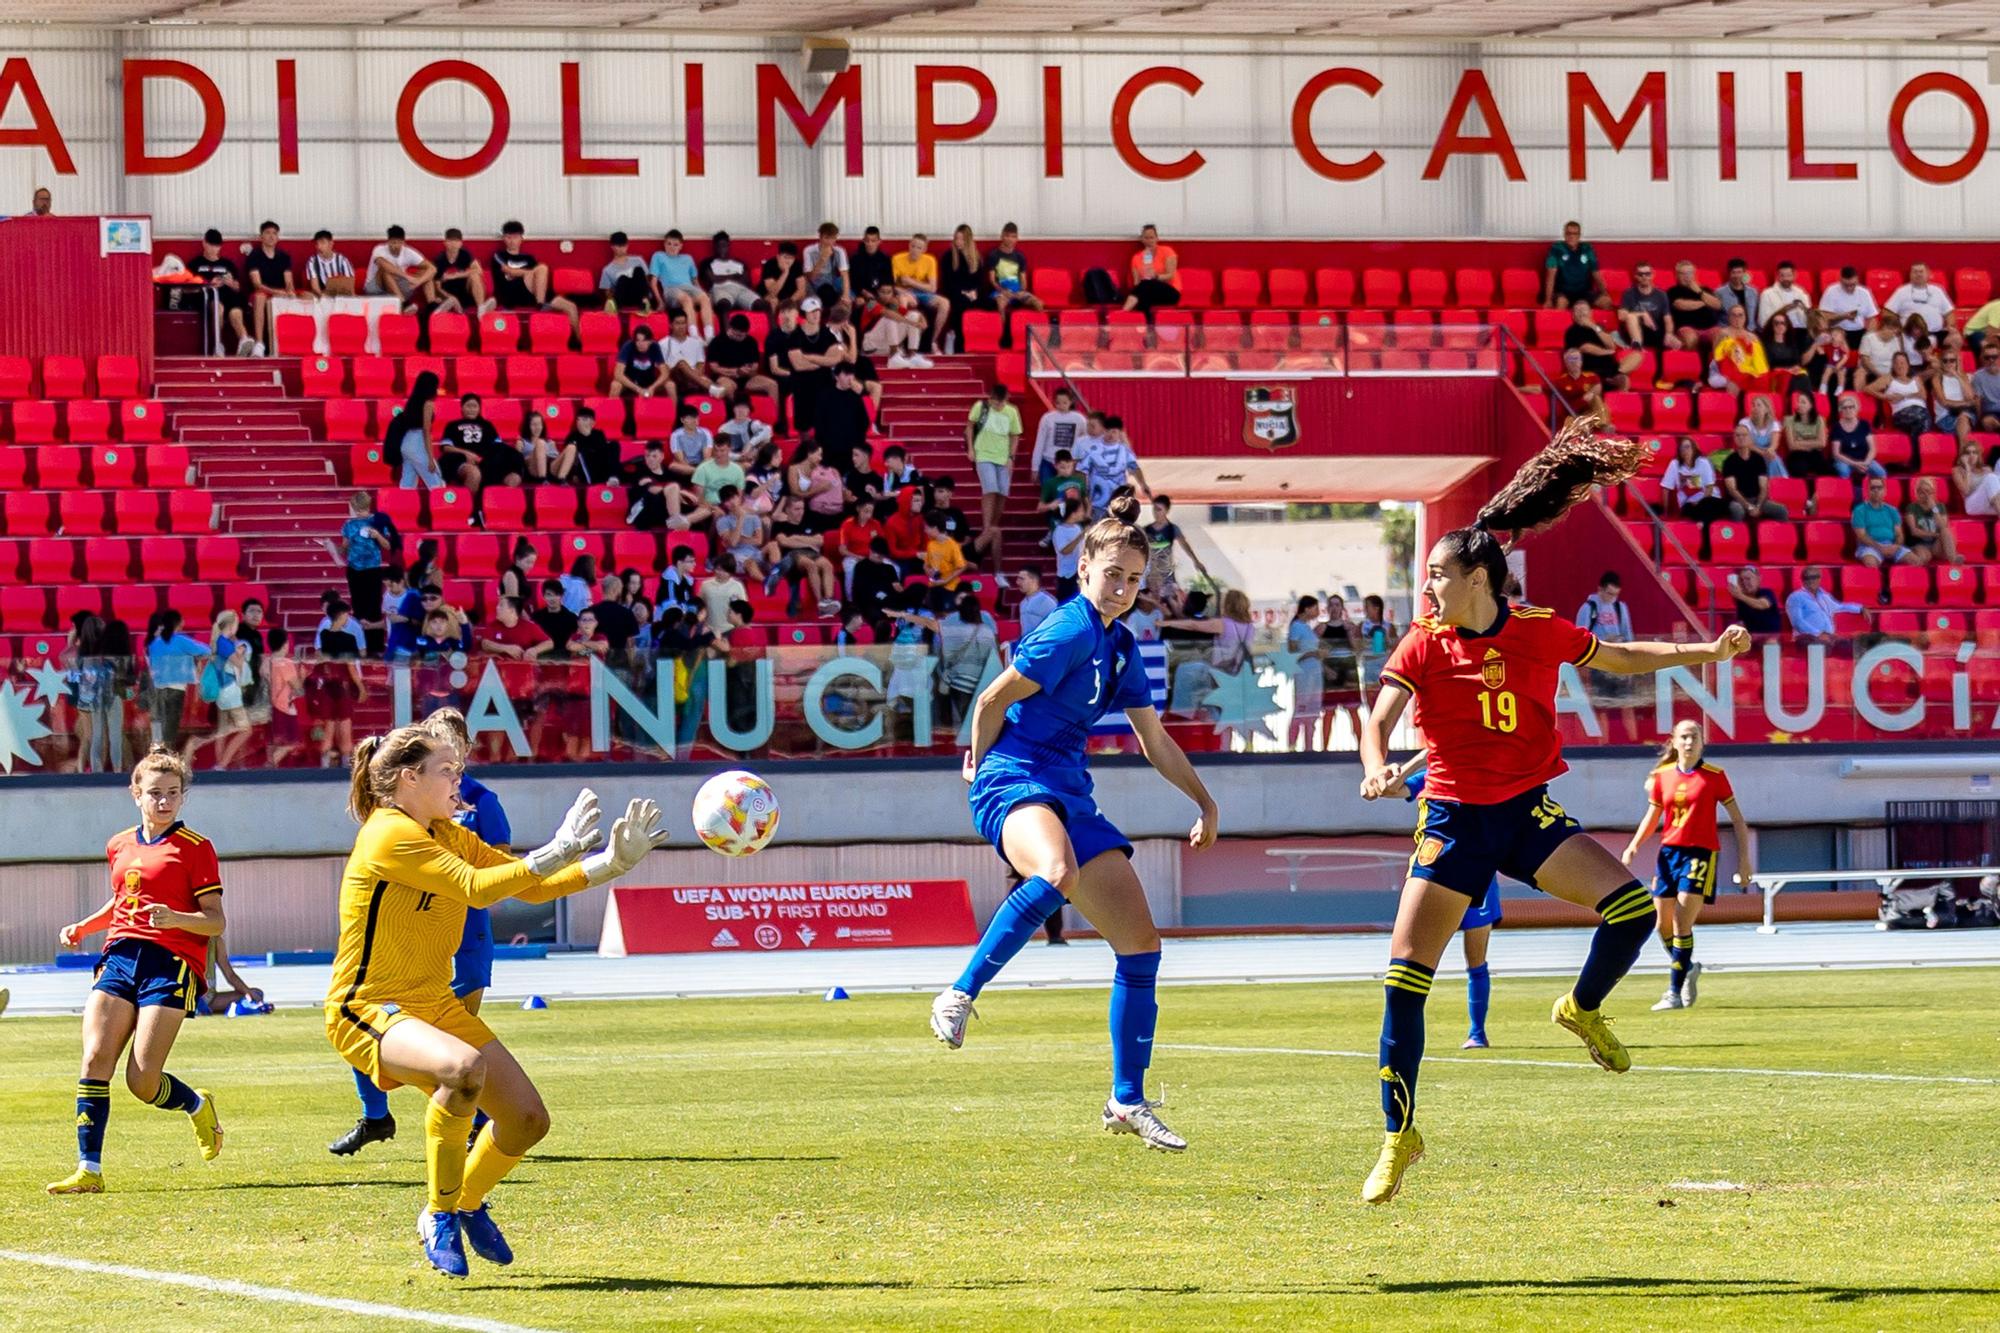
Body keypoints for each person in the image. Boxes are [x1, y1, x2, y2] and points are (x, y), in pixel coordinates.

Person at [1354, 418, 1751, 1205]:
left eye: (1437, 573)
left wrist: (1704, 652)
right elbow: (1378, 719)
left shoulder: (1539, 631)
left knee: (1633, 910)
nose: (1426, 586)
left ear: (1479, 579)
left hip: (1526, 813)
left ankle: (1582, 1005)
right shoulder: (1423, 641)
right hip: (1454, 821)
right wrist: (1372, 766)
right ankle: (1400, 1135)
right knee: (1405, 981)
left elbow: (1622, 658)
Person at [930, 493, 1218, 1153]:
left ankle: (1126, 1100)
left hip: (1068, 789)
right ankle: (959, 992)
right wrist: (978, 763)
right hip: (1014, 775)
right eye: (1111, 574)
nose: (1121, 588)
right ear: (1084, 568)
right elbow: (994, 697)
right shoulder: (1068, 628)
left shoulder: (1122, 646)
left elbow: (1155, 742)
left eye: (1133, 580)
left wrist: (1205, 801)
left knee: (1141, 944)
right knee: (1055, 871)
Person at [325, 726, 661, 1274]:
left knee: (527, 1120)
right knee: (462, 1069)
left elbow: (525, 886)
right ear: (409, 779)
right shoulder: (388, 832)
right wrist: (559, 848)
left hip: (434, 1002)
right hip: (366, 1006)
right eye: (446, 772)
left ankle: (467, 1201)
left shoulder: (448, 831)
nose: (459, 780)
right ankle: (438, 1213)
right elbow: (476, 889)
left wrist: (607, 865)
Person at [330, 709, 514, 1157]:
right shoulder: (401, 819)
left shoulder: (478, 803)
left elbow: (504, 868)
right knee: (437, 1057)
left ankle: (473, 1126)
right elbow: (471, 878)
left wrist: (591, 863)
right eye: (441, 755)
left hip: (465, 934)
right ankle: (382, 1118)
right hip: (398, 958)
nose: (453, 771)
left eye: (456, 760)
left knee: (459, 1060)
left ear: (465, 753)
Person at [47, 749, 226, 1194]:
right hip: (120, 955)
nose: (163, 802)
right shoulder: (119, 844)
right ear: (136, 794)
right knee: (94, 1058)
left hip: (171, 963)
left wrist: (177, 919)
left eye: (172, 794)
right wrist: (85, 926)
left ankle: (196, 1104)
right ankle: (89, 1169)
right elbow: (122, 903)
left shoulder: (196, 848)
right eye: (154, 794)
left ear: (183, 797)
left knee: (142, 1081)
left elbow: (216, 921)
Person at [1620, 720, 1753, 1013]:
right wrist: (1633, 846)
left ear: (1702, 742)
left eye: (1695, 737)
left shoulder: (1714, 777)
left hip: (1700, 855)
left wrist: (1744, 860)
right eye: (1684, 737)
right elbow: (1652, 816)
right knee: (1661, 924)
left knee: (1681, 922)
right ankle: (1688, 967)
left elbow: (1738, 821)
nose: (1690, 742)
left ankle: (1673, 992)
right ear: (1675, 741)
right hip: (1668, 854)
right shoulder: (1662, 776)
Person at [1393, 757, 1501, 1048]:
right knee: (1413, 961)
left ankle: (1477, 1033)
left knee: (1476, 959)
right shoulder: (1432, 774)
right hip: (1437, 875)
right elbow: (1398, 789)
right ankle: (1404, 1035)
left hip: (1480, 876)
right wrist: (1389, 773)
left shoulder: (1481, 772)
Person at [489, 220, 579, 338]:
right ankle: (541, 304)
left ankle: (578, 342)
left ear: (521, 238)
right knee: (541, 268)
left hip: (534, 292)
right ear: (504, 239)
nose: (511, 241)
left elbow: (536, 277)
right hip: (512, 294)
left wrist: (522, 273)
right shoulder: (498, 256)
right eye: (508, 237)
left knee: (571, 307)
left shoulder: (529, 258)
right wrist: (528, 273)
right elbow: (508, 271)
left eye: (515, 237)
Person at [967, 383, 1022, 561]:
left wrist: (1011, 457)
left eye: (1000, 403)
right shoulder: (980, 407)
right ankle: (987, 526)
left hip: (1003, 456)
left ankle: (994, 524)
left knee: (1002, 492)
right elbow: (969, 427)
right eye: (995, 402)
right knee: (989, 489)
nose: (997, 406)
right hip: (983, 453)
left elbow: (1015, 435)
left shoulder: (1012, 411)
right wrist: (971, 449)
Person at [188, 228, 255, 355]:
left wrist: (231, 283)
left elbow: (237, 287)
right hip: (208, 296)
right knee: (218, 307)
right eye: (211, 245)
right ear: (204, 243)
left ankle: (243, 339)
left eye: (217, 246)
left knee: (235, 311)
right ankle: (217, 345)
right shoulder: (195, 264)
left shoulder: (228, 264)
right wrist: (208, 284)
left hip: (228, 295)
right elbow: (188, 288)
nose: (214, 249)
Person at [892, 233, 951, 351]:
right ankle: (899, 343)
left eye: (919, 248)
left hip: (923, 293)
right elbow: (893, 286)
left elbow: (933, 288)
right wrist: (907, 292)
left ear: (924, 249)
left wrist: (910, 281)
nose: (914, 250)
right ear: (909, 245)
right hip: (904, 292)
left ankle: (933, 341)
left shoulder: (930, 260)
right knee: (902, 301)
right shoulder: (897, 259)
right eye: (913, 246)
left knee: (944, 303)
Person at [1142, 495, 1207, 603]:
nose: (1156, 512)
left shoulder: (1172, 529)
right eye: (1154, 509)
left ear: (1166, 511)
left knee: (1170, 601)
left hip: (1166, 573)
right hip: (1151, 574)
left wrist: (1196, 561)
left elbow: (1185, 545)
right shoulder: (1147, 530)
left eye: (1159, 509)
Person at [244, 219, 294, 355]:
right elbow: (257, 284)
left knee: (307, 296)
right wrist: (276, 292)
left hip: (280, 291)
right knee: (260, 298)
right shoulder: (254, 256)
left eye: (274, 233)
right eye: (268, 233)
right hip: (263, 292)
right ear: (261, 237)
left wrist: (289, 291)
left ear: (278, 237)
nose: (271, 236)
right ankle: (259, 344)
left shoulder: (284, 257)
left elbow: (289, 281)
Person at [389, 370, 444, 490]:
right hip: (418, 445)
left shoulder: (412, 403)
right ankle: (443, 508)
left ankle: (401, 508)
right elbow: (426, 430)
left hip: (406, 444)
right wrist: (430, 458)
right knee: (437, 483)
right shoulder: (428, 404)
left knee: (407, 485)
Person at [1783, 566, 1862, 645]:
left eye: (1815, 577)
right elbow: (1797, 622)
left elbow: (1840, 606)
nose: (1811, 580)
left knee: (1852, 644)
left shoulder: (1825, 596)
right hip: (1806, 637)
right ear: (1802, 580)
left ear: (1820, 579)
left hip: (1828, 637)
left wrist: (1860, 608)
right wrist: (1818, 634)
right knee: (1820, 646)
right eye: (1807, 578)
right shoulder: (1795, 597)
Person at [1852, 475, 1918, 569]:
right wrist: (1880, 547)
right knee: (1871, 563)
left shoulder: (1892, 510)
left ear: (1884, 491)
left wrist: (1896, 546)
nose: (1876, 490)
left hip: (1891, 545)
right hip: (1870, 546)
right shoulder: (1859, 511)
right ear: (1867, 491)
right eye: (1873, 488)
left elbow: (1899, 534)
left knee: (1915, 561)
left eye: (1879, 488)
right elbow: (1862, 536)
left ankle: (1898, 583)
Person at [1286, 596, 1325, 752]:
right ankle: (1292, 745)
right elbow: (1293, 652)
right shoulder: (1296, 626)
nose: (1317, 612)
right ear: (1307, 608)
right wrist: (1312, 654)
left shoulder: (1308, 627)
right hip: (1304, 673)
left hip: (1314, 672)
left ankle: (1309, 746)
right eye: (1315, 608)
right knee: (1301, 707)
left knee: (1312, 710)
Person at [365, 224, 435, 310]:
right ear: (388, 241)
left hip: (396, 287)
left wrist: (418, 281)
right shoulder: (379, 249)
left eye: (399, 243)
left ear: (403, 242)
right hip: (375, 288)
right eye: (393, 242)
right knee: (385, 270)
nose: (396, 246)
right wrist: (408, 277)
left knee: (426, 273)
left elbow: (432, 268)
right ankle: (403, 304)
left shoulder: (408, 252)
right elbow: (385, 265)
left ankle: (432, 306)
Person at [1541, 220, 1605, 308]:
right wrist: (1548, 300)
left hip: (1584, 292)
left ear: (1579, 236)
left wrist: (1605, 293)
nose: (1571, 236)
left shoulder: (1587, 248)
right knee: (1561, 303)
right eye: (1568, 233)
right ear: (1564, 234)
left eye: (1575, 234)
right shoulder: (1557, 248)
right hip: (1563, 293)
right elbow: (1550, 276)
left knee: (1606, 302)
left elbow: (1596, 273)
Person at [1660, 436, 1726, 522]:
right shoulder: (1674, 464)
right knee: (1692, 510)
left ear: (1694, 449)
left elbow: (1709, 487)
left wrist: (1700, 502)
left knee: (1712, 506)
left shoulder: (1704, 462)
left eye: (1687, 447)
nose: (1684, 450)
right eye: (1681, 448)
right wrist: (1665, 512)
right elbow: (1666, 488)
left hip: (1708, 499)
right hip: (1689, 504)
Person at [1903, 476, 1961, 566]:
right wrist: (1935, 534)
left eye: (1928, 492)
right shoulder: (1911, 507)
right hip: (1919, 543)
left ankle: (1953, 559)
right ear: (1917, 493)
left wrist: (1934, 508)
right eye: (1922, 492)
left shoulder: (1940, 506)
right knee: (1924, 557)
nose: (1925, 495)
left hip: (1936, 545)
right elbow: (1914, 531)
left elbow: (1943, 527)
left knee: (1946, 531)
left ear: (1933, 493)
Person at [1122, 223, 1180, 313]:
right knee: (1145, 294)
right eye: (1146, 238)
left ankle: (1123, 312)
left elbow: (1170, 275)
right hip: (1147, 291)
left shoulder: (1167, 251)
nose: (1149, 241)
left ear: (1157, 238)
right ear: (1142, 239)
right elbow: (1136, 283)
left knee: (1146, 286)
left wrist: (1156, 276)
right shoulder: (1136, 257)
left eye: (1151, 237)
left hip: (1170, 291)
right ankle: (1145, 324)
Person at [434, 228, 491, 317]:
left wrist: (456, 275)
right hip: (449, 294)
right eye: (450, 241)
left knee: (475, 275)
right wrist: (450, 297)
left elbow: (478, 270)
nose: (453, 244)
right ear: (445, 242)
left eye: (456, 241)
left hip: (466, 292)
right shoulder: (440, 259)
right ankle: (447, 307)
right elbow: (437, 287)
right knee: (442, 298)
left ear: (461, 243)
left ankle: (481, 309)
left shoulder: (465, 254)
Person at [1829, 393, 1884, 481]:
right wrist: (1855, 464)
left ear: (1856, 408)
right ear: (1841, 410)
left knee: (1880, 472)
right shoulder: (1836, 427)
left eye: (1851, 407)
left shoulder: (1864, 424)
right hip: (1845, 461)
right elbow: (1836, 453)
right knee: (1843, 471)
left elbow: (1872, 449)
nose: (1848, 410)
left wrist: (1866, 463)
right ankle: (1846, 493)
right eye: (1845, 408)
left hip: (1864, 459)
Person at [701, 231, 758, 313]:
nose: (722, 249)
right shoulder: (707, 263)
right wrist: (734, 276)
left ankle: (774, 326)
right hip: (720, 291)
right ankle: (726, 326)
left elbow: (746, 281)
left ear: (728, 246)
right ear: (714, 247)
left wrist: (722, 277)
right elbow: (713, 280)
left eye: (724, 246)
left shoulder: (739, 263)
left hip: (741, 291)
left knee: (762, 304)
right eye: (719, 246)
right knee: (723, 304)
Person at [1782, 391, 1831, 478]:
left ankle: (1820, 491)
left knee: (1828, 470)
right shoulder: (1789, 420)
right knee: (1799, 469)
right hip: (1797, 454)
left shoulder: (1819, 420)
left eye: (1803, 402)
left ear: (1811, 406)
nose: (1799, 404)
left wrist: (1800, 442)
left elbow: (1822, 443)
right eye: (1798, 401)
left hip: (1814, 453)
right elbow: (1792, 445)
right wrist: (1813, 443)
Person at [599, 231, 652, 312]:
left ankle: (645, 304)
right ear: (612, 247)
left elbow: (647, 280)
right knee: (623, 278)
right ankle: (616, 307)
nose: (622, 249)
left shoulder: (638, 260)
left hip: (639, 295)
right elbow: (607, 292)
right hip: (623, 297)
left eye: (624, 245)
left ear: (627, 245)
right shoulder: (607, 270)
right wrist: (612, 299)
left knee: (638, 270)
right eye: (619, 246)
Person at [612, 323, 667, 397]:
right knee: (615, 385)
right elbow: (618, 374)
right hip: (630, 381)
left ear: (650, 341)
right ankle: (611, 408)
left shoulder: (655, 346)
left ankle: (673, 408)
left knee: (670, 385)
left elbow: (665, 373)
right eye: (637, 340)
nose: (640, 344)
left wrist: (652, 387)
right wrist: (638, 389)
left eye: (644, 340)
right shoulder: (628, 346)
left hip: (649, 381)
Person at [1726, 565, 1783, 635]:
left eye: (1748, 579)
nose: (1744, 582)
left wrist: (1740, 596)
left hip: (1770, 637)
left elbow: (1763, 604)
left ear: (1758, 579)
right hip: (1752, 639)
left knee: (1771, 644)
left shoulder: (1766, 592)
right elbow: (1741, 622)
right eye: (1741, 580)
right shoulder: (1741, 601)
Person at [1954, 437, 2000, 516]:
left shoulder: (1986, 469)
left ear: (1979, 455)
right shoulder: (1958, 470)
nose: (1971, 455)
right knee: (1991, 478)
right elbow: (1965, 491)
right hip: (1971, 505)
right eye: (1968, 453)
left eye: (1974, 452)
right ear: (1963, 456)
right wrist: (1967, 468)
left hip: (1989, 504)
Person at [306, 229, 356, 298]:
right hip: (321, 296)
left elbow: (349, 285)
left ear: (331, 244)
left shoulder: (342, 260)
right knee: (306, 295)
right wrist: (324, 297)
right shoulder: (312, 261)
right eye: (317, 243)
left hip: (341, 296)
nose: (319, 247)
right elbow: (315, 288)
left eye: (322, 243)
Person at [1016, 567, 1058, 638]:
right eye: (1018, 579)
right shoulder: (1022, 603)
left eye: (1022, 579)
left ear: (1034, 581)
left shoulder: (1047, 602)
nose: (1017, 582)